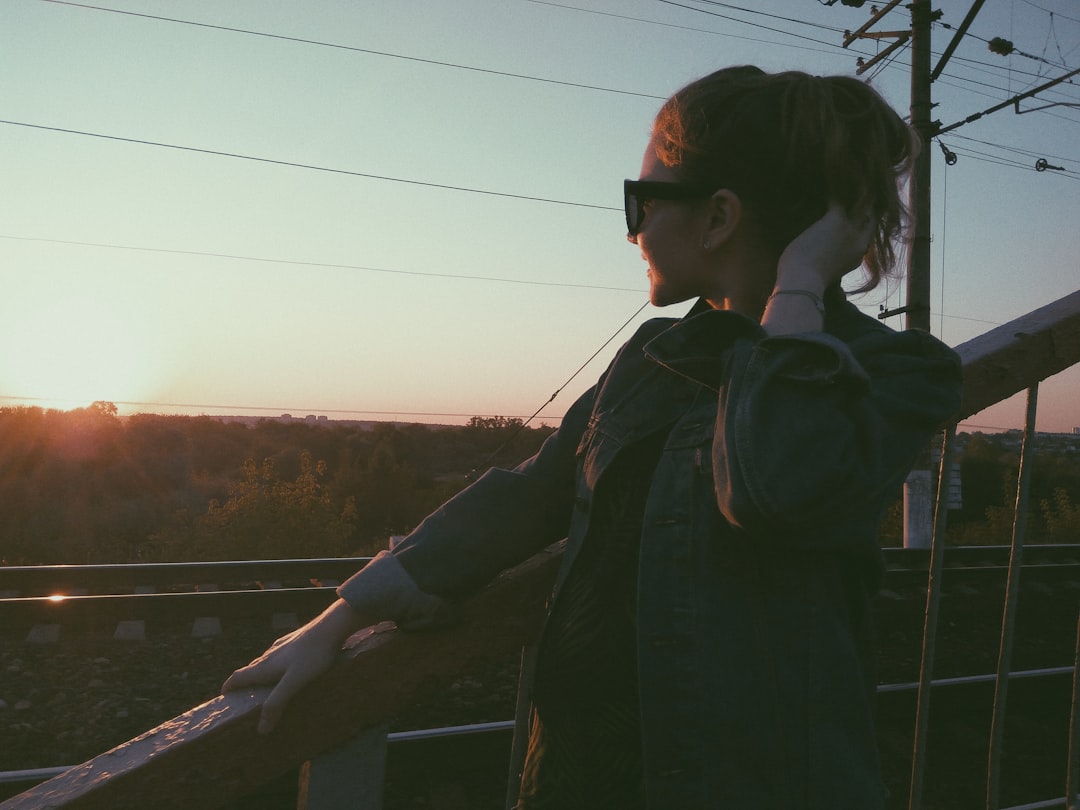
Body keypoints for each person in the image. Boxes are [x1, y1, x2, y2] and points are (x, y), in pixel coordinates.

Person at [224, 65, 963, 809]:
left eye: (642, 199)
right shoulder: (649, 359)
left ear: (717, 219)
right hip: (581, 778)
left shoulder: (893, 371)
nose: (635, 227)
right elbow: (525, 497)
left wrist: (797, 283)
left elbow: (772, 489)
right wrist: (338, 619)